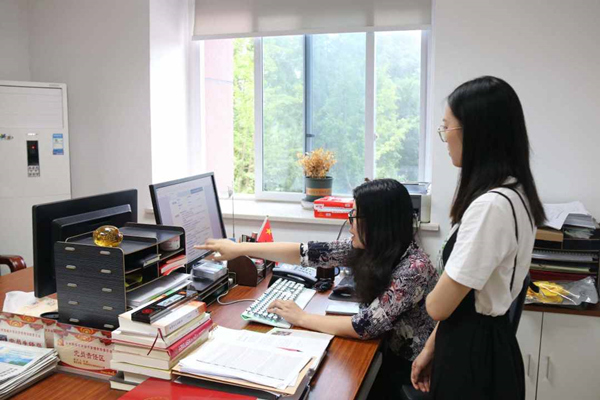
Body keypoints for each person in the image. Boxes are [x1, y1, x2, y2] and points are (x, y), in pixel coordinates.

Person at [196, 179, 438, 396]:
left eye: (354, 217)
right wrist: (239, 249)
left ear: (378, 224)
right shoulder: (377, 248)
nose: (350, 225)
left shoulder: (413, 269)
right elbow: (305, 252)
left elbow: (363, 327)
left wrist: (301, 317)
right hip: (390, 353)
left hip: (412, 372)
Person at [410, 76, 546, 399]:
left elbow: (439, 306)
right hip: (482, 344)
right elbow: (465, 294)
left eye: (447, 127)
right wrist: (431, 347)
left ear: (475, 133)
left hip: (472, 360)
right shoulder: (515, 193)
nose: (444, 137)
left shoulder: (491, 208)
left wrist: (429, 298)